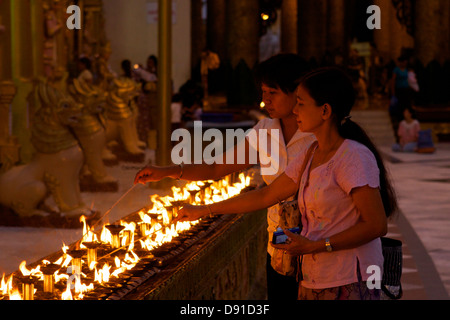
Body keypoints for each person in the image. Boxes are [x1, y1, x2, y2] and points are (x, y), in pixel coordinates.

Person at [174, 67, 398, 300]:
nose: (294, 110)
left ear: (325, 110)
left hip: (350, 279)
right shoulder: (312, 153)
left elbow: (375, 225)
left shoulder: (352, 156)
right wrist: (204, 210)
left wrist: (316, 246)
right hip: (313, 276)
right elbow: (266, 195)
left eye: (300, 103)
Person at [134, 53, 315, 300]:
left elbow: (266, 196)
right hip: (279, 246)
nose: (265, 101)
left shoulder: (318, 135)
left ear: (298, 92)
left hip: (318, 246)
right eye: (263, 92)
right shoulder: (265, 131)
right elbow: (216, 169)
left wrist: (205, 209)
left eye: (272, 92)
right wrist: (168, 171)